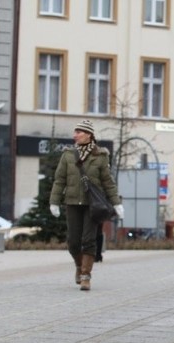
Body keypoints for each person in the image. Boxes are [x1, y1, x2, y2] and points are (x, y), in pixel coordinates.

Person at [49, 120, 124, 291]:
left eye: (79, 132)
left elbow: (107, 182)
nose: (75, 135)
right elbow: (60, 180)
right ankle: (79, 265)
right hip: (72, 202)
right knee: (73, 242)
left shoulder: (101, 156)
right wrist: (54, 201)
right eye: (75, 132)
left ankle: (85, 275)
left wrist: (116, 203)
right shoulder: (68, 155)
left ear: (88, 134)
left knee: (88, 240)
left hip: (93, 205)